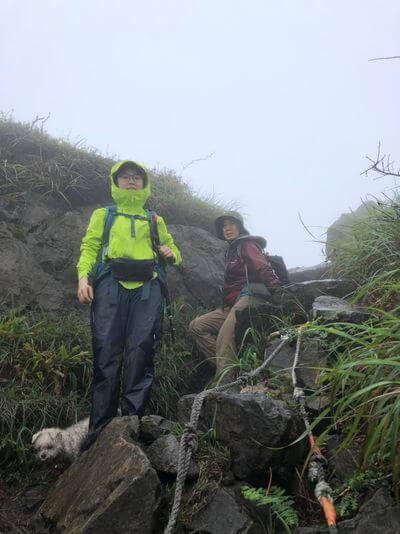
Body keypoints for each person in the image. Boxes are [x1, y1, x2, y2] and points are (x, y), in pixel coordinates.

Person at [77, 160, 181, 446]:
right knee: (106, 354)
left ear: (144, 184)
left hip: (148, 288)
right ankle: (99, 432)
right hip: (110, 284)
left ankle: (130, 427)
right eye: (126, 177)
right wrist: (83, 278)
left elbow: (175, 252)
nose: (132, 181)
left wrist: (169, 253)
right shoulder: (104, 214)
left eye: (137, 177)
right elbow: (89, 246)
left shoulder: (154, 220)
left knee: (141, 352)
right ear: (116, 182)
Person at [188, 211, 279, 380]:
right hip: (233, 303)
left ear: (240, 227)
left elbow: (262, 266)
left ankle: (225, 383)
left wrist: (277, 290)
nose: (227, 228)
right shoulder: (230, 251)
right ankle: (235, 367)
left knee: (225, 335)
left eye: (232, 224)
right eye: (224, 225)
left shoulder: (246, 245)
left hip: (251, 296)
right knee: (196, 326)